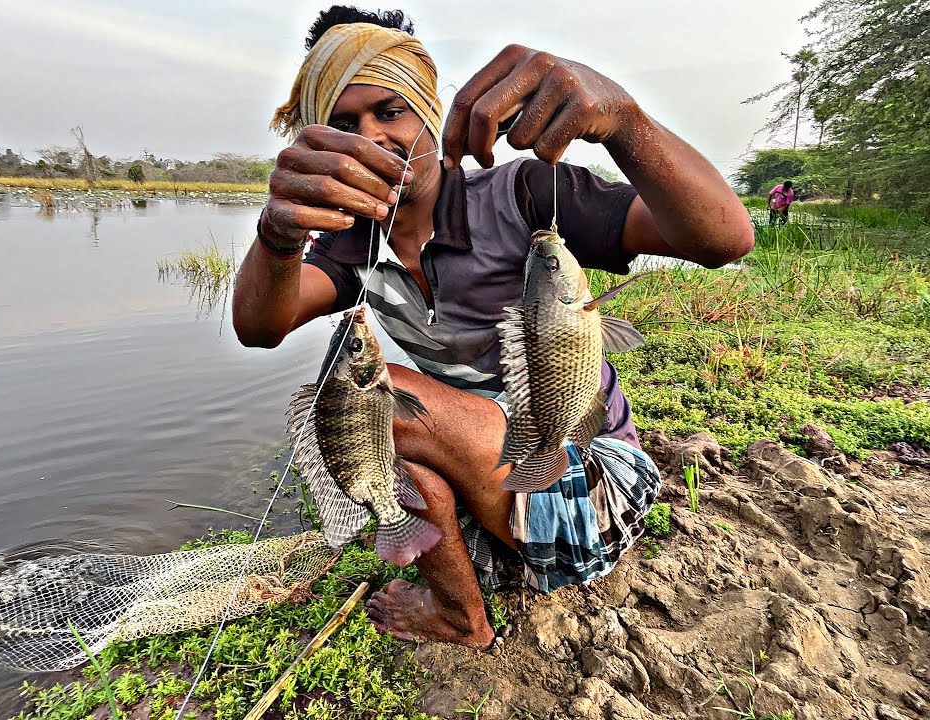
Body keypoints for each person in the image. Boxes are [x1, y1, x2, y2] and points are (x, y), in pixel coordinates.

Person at [233, 5, 753, 649]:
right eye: (344, 124)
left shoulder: (523, 194)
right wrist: (277, 232)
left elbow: (723, 237)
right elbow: (261, 326)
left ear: (427, 108)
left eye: (389, 111)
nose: (372, 136)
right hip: (493, 462)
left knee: (381, 397)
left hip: (595, 478)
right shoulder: (357, 241)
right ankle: (464, 610)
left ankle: (507, 565)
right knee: (371, 432)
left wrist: (625, 119)